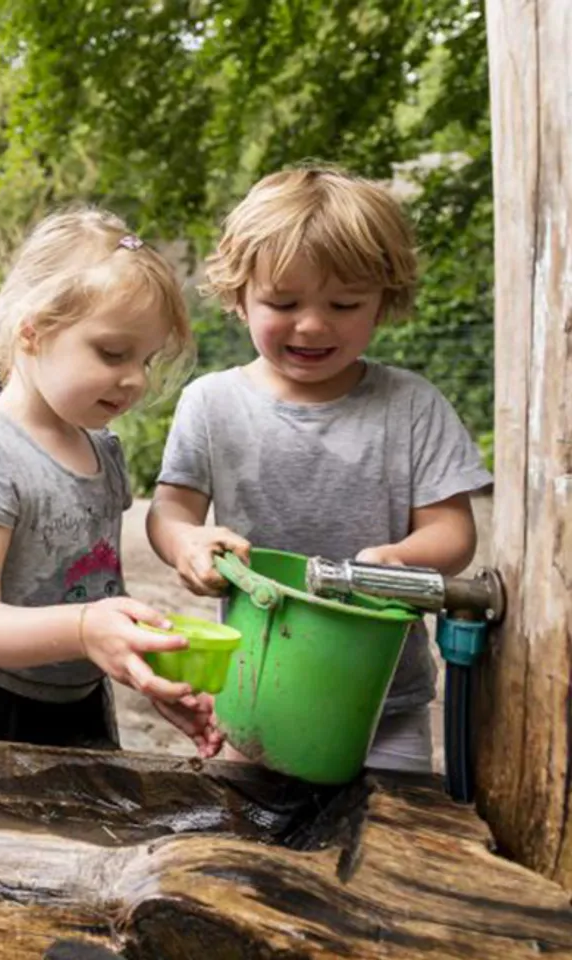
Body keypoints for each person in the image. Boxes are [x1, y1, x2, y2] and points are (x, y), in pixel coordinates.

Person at [146, 166, 493, 773]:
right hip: (258, 690)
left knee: (390, 825)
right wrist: (187, 543)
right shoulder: (212, 403)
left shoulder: (411, 404)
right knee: (247, 827)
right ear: (239, 297)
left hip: (384, 701)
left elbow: (453, 530)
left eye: (344, 304)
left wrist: (401, 560)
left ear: (383, 301)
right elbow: (171, 509)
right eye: (283, 303)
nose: (311, 324)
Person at [0, 209, 223, 756]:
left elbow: (94, 587)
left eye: (146, 360)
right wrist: (83, 629)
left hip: (77, 701)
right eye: (113, 353)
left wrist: (146, 664)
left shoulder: (103, 449)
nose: (135, 380)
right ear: (32, 331)